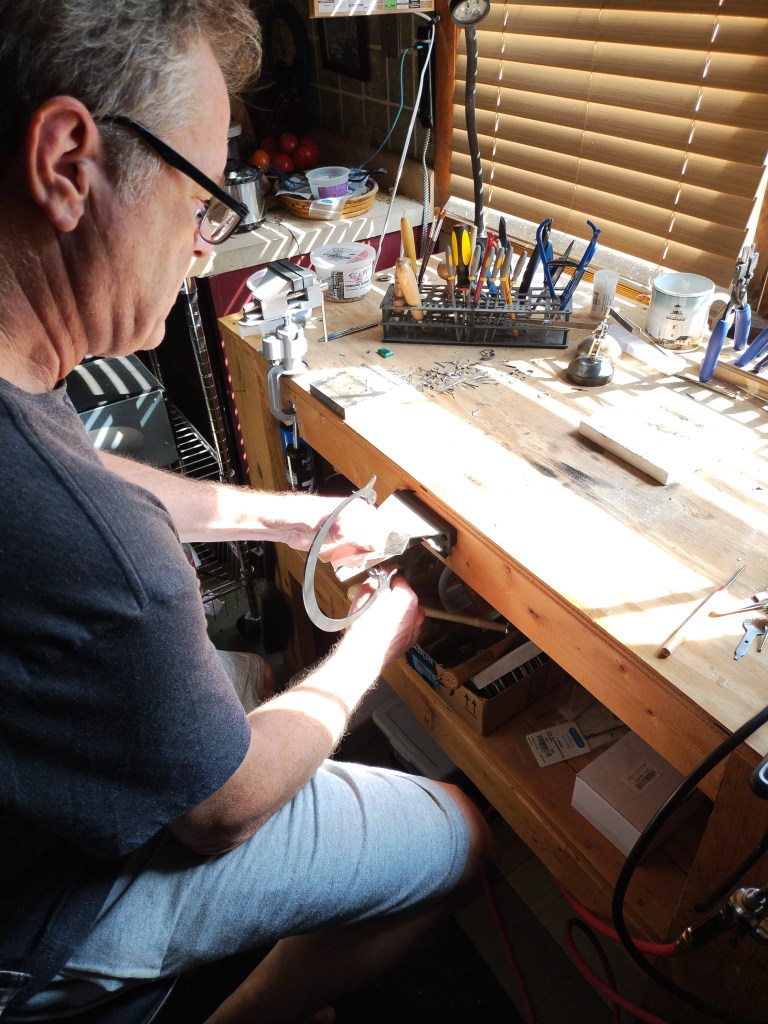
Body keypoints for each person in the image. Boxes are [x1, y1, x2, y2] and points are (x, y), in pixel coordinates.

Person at [0, 2, 492, 1022]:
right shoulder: (106, 559)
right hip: (31, 908)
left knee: (253, 675)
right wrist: (379, 637)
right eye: (200, 202)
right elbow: (224, 810)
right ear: (66, 164)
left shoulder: (25, 413)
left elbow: (90, 481)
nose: (201, 247)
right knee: (457, 830)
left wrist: (284, 517)